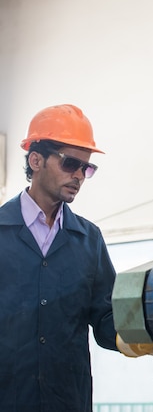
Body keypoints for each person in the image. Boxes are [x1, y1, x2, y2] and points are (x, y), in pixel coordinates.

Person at [0, 104, 118, 411]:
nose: (79, 175)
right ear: (36, 160)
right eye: (70, 163)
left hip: (67, 402)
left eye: (86, 168)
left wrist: (149, 327)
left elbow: (107, 320)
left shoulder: (89, 240)